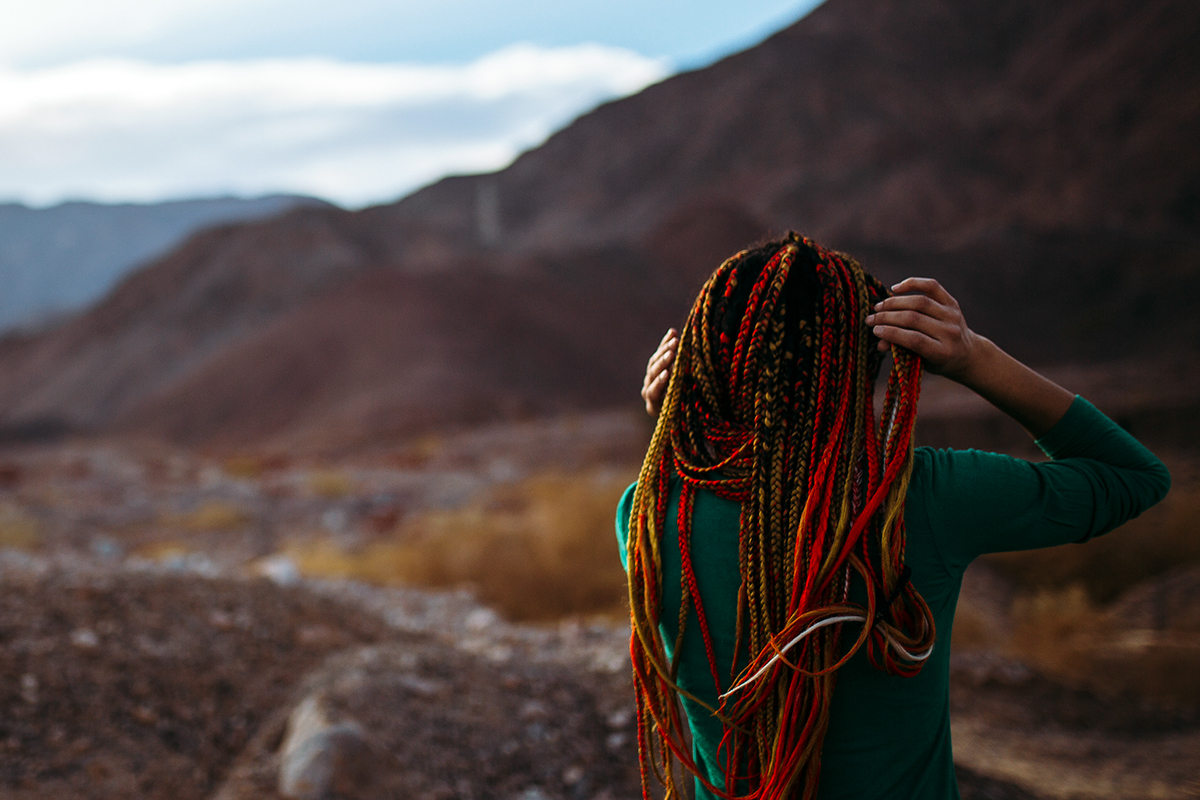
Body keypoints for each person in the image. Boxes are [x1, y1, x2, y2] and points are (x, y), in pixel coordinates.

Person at [615, 233, 1170, 800]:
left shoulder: (648, 516)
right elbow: (1136, 478)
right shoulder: (925, 496)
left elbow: (713, 499)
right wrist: (974, 356)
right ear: (867, 359)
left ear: (699, 365)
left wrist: (677, 427)